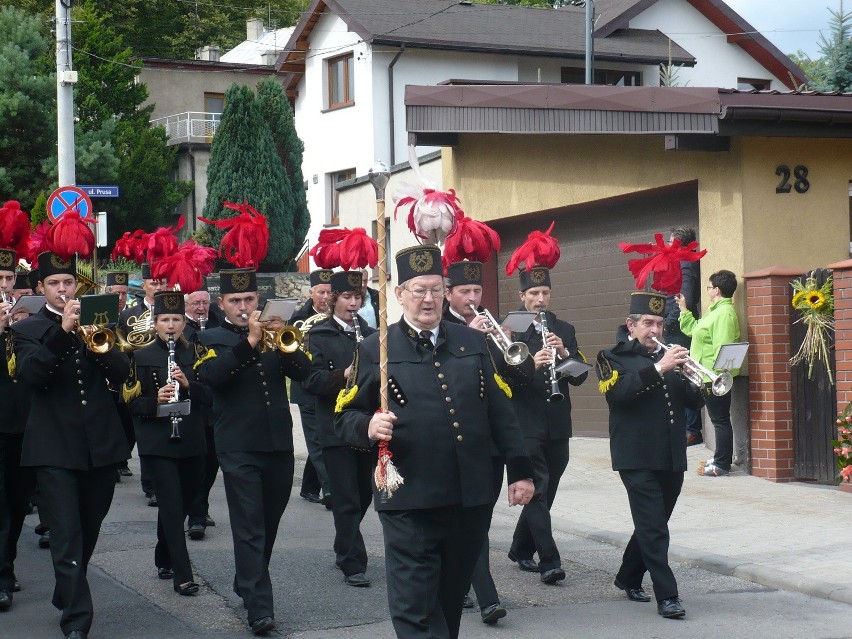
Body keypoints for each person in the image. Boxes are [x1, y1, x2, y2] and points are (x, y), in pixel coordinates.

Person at [335, 244, 534, 639]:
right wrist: (368, 427)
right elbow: (344, 417)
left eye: (436, 289)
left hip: (468, 495)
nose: (428, 299)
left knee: (448, 599)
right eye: (418, 290)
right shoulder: (376, 349)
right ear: (399, 294)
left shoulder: (472, 343)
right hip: (409, 496)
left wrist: (521, 471)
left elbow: (500, 413)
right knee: (415, 607)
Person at [12, 250, 131, 639]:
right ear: (40, 289)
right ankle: (77, 620)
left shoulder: (98, 322)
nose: (63, 289)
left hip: (100, 442)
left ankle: (68, 589)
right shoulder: (28, 330)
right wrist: (63, 332)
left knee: (89, 526)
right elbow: (32, 375)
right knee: (65, 533)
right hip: (53, 447)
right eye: (54, 284)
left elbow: (122, 372)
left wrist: (103, 342)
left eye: (68, 283)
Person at [197, 267, 311, 636]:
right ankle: (260, 607)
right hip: (237, 445)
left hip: (277, 441)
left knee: (270, 522)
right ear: (221, 303)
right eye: (235, 301)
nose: (244, 306)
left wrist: (282, 339)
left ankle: (247, 580)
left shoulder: (275, 333)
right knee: (249, 525)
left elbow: (304, 373)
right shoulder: (209, 336)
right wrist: (249, 341)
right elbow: (213, 378)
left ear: (258, 300)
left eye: (249, 300)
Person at [596, 291, 704, 619]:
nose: (654, 330)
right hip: (635, 455)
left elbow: (693, 403)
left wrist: (695, 380)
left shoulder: (670, 357)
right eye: (647, 323)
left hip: (671, 454)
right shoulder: (610, 356)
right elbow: (619, 393)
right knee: (655, 527)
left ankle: (627, 576)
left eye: (658, 323)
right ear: (631, 325)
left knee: (653, 522)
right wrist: (660, 368)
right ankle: (667, 596)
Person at [441, 259, 531, 624]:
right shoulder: (441, 326)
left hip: (494, 438)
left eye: (477, 291)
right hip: (458, 440)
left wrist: (508, 342)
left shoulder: (491, 326)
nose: (473, 298)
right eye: (465, 291)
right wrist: (473, 336)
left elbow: (521, 376)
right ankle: (488, 599)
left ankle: (457, 581)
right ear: (449, 294)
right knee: (470, 520)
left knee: (479, 520)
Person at [507, 264, 588, 584]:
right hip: (524, 420)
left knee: (547, 489)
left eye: (545, 293)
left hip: (557, 420)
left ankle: (520, 547)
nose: (540, 300)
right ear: (522, 296)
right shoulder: (510, 327)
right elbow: (504, 373)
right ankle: (549, 560)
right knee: (538, 489)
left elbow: (580, 376)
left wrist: (564, 351)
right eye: (534, 294)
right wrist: (531, 362)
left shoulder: (563, 328)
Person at [125, 291, 208, 596]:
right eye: (164, 320)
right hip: (158, 443)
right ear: (155, 323)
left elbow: (212, 397)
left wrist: (189, 385)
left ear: (184, 323)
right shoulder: (141, 356)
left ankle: (163, 555)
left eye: (176, 319)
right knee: (171, 506)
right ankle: (183, 575)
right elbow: (131, 404)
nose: (171, 326)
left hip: (192, 439)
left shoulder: (197, 354)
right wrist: (154, 401)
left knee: (182, 504)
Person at [302, 270, 376, 587]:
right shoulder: (318, 336)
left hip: (366, 425)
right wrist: (345, 374)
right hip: (333, 426)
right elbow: (311, 381)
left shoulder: (372, 334)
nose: (352, 303)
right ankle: (352, 562)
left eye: (357, 297)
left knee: (363, 496)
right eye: (346, 297)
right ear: (334, 300)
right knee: (345, 497)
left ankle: (342, 543)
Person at [677, 269, 741, 477]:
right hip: (704, 376)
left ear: (717, 290)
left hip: (712, 378)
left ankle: (722, 464)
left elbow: (723, 347)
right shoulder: (714, 312)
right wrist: (684, 309)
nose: (707, 290)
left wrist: (713, 376)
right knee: (718, 419)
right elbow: (694, 330)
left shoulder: (723, 314)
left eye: (709, 287)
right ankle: (720, 458)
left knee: (720, 420)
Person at [0, 250, 35, 612]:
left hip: (24, 424)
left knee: (18, 501)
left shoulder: (29, 318)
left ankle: (7, 562)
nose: (6, 286)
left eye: (9, 279)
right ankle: (2, 575)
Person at [119, 263, 169, 505]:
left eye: (162, 282)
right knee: (145, 431)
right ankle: (150, 484)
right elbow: (121, 347)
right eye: (153, 282)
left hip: (166, 373)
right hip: (139, 377)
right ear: (145, 284)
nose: (158, 286)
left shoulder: (173, 308)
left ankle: (162, 482)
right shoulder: (128, 315)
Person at [289, 269, 333, 507]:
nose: (326, 297)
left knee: (322, 437)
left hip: (330, 383)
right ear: (311, 293)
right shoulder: (297, 318)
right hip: (306, 386)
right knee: (318, 441)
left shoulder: (339, 317)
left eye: (329, 292)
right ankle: (331, 491)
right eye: (321, 292)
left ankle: (308, 487)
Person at [183, 288, 220, 539]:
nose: (201, 307)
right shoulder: (180, 328)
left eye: (205, 302)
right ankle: (196, 515)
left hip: (215, 406)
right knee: (196, 463)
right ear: (186, 304)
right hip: (191, 405)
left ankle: (201, 506)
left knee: (212, 464)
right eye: (196, 302)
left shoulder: (215, 325)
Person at [663, 228, 703, 446]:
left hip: (678, 324)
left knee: (684, 373)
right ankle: (684, 427)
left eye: (670, 241)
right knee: (676, 372)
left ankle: (692, 430)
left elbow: (684, 295)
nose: (667, 244)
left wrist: (669, 321)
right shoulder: (678, 261)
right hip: (673, 321)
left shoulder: (685, 262)